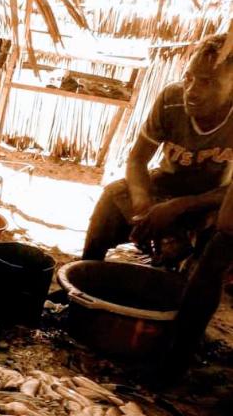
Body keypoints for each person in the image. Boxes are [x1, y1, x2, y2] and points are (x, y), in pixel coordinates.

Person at [82, 33, 233, 265]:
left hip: (213, 200)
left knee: (218, 236)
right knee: (112, 197)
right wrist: (144, 207)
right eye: (188, 78)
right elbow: (137, 160)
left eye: (207, 82)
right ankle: (86, 272)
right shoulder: (171, 101)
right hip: (164, 186)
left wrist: (178, 207)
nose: (191, 91)